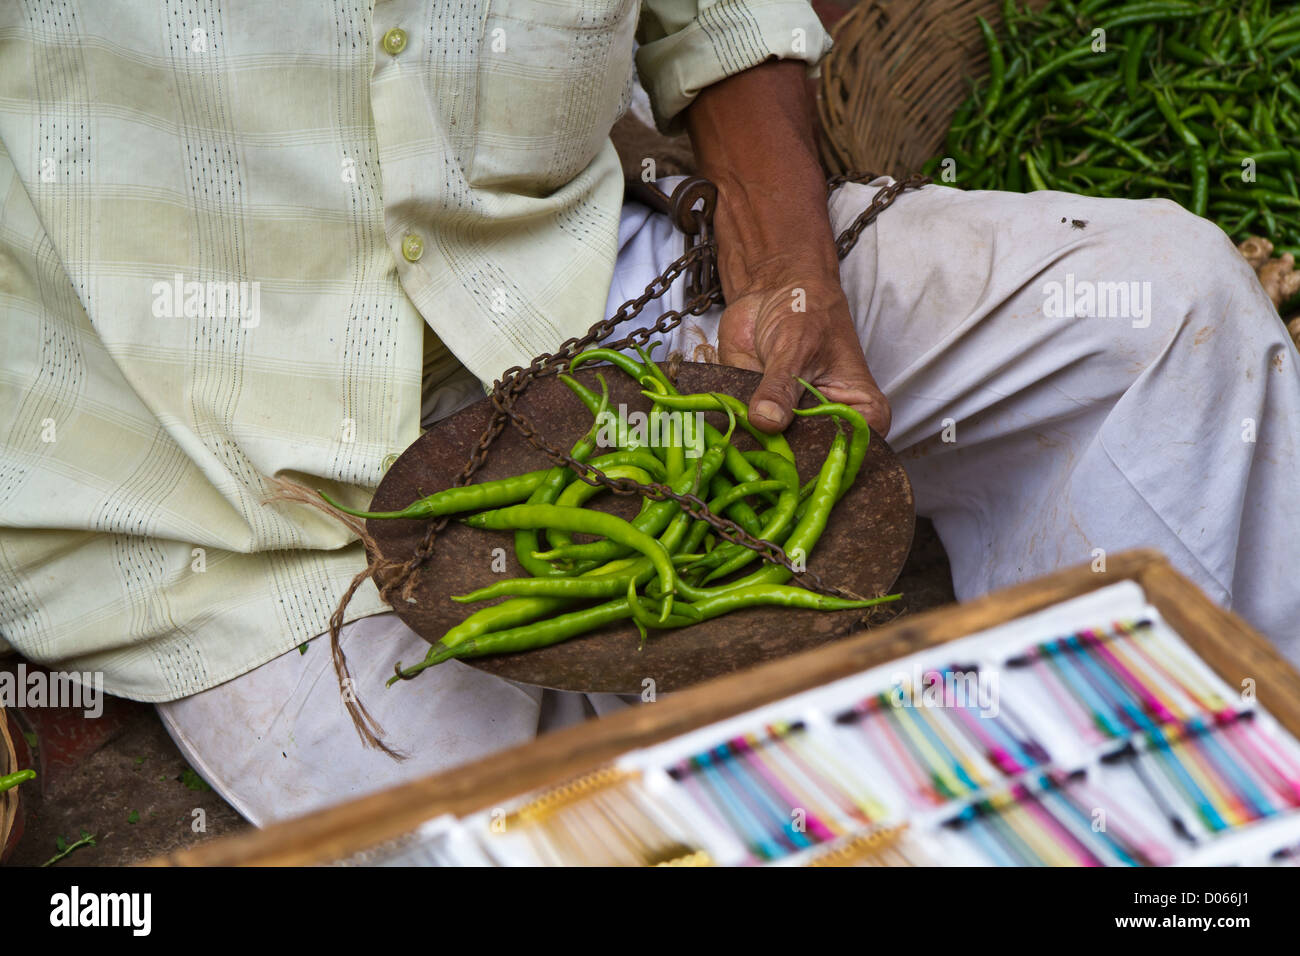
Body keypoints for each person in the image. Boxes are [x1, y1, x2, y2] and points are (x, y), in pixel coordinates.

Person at [1, 2, 1297, 826]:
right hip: (223, 491)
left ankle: (1159, 817)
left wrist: (787, 258)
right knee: (613, 828)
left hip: (597, 306)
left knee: (1156, 312)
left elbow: (717, 20)